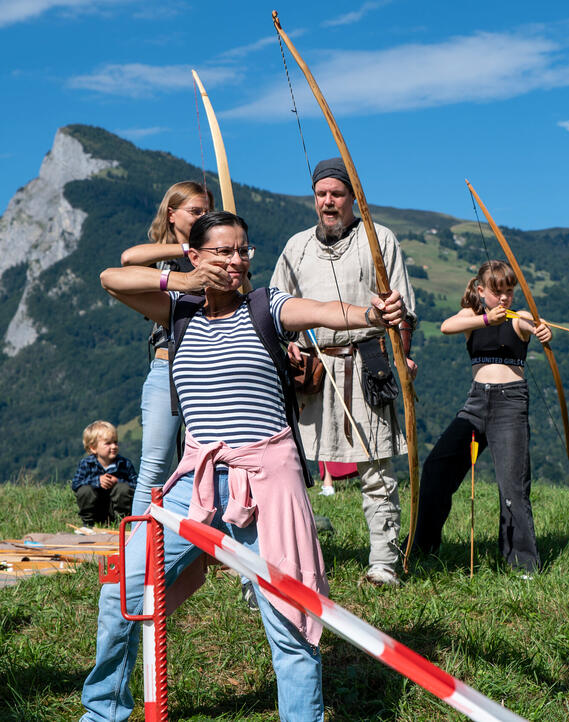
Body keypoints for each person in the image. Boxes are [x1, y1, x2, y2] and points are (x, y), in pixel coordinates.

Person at [82, 210, 405, 722]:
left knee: (289, 618)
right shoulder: (177, 310)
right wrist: (183, 279)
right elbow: (110, 278)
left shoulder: (265, 305)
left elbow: (320, 309)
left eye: (243, 251)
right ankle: (104, 713)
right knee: (120, 594)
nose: (237, 261)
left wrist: (372, 315)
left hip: (267, 482)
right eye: (223, 251)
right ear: (196, 256)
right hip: (197, 480)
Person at [270, 157, 417, 587]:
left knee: (376, 467)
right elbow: (277, 310)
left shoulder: (379, 239)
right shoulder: (296, 247)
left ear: (352, 198)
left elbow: (402, 311)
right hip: (313, 368)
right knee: (291, 468)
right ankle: (295, 552)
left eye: (337, 194)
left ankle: (383, 563)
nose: (328, 202)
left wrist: (402, 357)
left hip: (368, 362)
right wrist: (289, 350)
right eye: (321, 194)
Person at [412, 261, 552, 575]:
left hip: (510, 403)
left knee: (513, 487)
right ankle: (421, 547)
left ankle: (524, 565)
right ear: (481, 291)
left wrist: (542, 330)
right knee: (436, 469)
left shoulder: (520, 318)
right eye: (496, 291)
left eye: (509, 291)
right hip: (476, 403)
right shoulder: (471, 318)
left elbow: (534, 326)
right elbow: (447, 326)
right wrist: (486, 319)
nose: (504, 298)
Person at [119, 181, 213, 516]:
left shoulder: (214, 255)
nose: (202, 216)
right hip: (168, 365)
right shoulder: (162, 257)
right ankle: (139, 552)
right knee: (155, 467)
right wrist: (187, 249)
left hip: (210, 366)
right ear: (172, 215)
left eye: (207, 211)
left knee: (213, 465)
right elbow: (128, 258)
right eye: (195, 211)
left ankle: (204, 548)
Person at [71, 421, 137, 527]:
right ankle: (89, 523)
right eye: (108, 443)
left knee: (123, 488)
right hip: (96, 510)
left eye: (115, 442)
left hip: (117, 510)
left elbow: (137, 486)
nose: (114, 446)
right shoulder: (86, 464)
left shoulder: (125, 464)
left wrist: (118, 482)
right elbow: (75, 485)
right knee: (85, 490)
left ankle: (122, 523)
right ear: (93, 448)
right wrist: (97, 481)